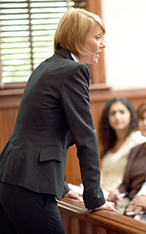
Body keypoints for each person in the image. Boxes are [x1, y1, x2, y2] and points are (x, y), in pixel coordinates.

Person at [0, 8, 117, 234]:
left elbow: (41, 130)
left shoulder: (47, 66)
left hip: (10, 177)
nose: (103, 45)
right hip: (30, 185)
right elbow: (86, 137)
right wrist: (94, 198)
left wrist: (61, 187)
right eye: (97, 37)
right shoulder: (74, 70)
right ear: (78, 39)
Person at [99, 97, 146, 192]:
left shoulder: (138, 139)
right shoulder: (112, 141)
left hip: (120, 194)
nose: (117, 117)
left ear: (131, 115)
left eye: (122, 112)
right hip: (103, 191)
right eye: (113, 113)